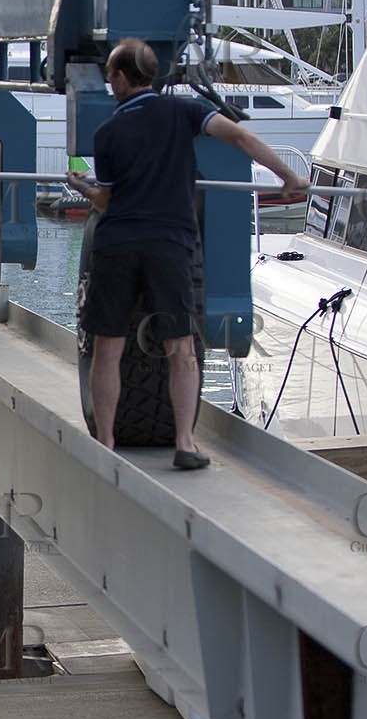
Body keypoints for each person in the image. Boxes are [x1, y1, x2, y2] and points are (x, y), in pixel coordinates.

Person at [67, 38, 308, 471]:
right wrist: (287, 174)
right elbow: (239, 135)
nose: (110, 87)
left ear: (122, 78)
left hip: (117, 244)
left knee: (108, 347)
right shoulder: (185, 112)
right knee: (181, 346)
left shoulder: (107, 133)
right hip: (170, 243)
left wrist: (83, 189)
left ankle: (105, 442)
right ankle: (185, 441)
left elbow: (107, 202)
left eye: (110, 79)